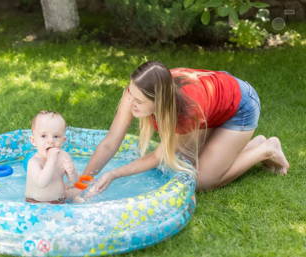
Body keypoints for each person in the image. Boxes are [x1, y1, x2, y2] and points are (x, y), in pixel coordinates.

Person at [82, 61, 289, 196]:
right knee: (188, 159)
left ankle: (267, 149)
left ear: (160, 103)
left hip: (240, 106)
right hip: (214, 98)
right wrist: (81, 183)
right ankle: (254, 144)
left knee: (202, 180)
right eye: (130, 95)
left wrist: (113, 174)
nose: (131, 103)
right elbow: (110, 143)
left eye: (139, 101)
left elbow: (158, 156)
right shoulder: (138, 91)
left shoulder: (186, 112)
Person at [25, 110, 82, 204]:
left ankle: (73, 197)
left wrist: (72, 173)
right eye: (43, 136)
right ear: (33, 141)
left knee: (79, 189)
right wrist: (51, 160)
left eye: (56, 136)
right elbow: (42, 183)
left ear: (63, 140)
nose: (50, 141)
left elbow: (75, 182)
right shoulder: (34, 162)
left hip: (59, 200)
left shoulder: (64, 156)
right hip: (36, 203)